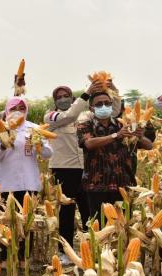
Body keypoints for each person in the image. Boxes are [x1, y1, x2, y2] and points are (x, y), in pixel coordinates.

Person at [0, 97, 53, 264]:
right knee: (7, 221)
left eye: (21, 107)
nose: (18, 110)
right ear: (7, 110)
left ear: (27, 110)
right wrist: (3, 144)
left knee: (27, 222)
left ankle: (24, 256)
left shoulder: (34, 128)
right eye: (14, 107)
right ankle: (6, 254)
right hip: (5, 183)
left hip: (28, 182)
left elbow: (47, 154)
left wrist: (39, 144)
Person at [76, 91, 153, 219]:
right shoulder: (85, 125)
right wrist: (117, 135)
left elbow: (149, 146)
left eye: (107, 103)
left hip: (123, 184)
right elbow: (89, 143)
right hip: (97, 186)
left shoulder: (123, 124)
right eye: (99, 104)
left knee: (123, 227)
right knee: (100, 227)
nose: (104, 106)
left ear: (112, 105)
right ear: (91, 108)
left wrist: (139, 136)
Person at [44, 85, 93, 263]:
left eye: (66, 96)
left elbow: (115, 112)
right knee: (66, 212)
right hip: (63, 169)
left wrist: (109, 88)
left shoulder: (85, 116)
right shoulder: (51, 116)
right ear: (55, 101)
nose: (63, 99)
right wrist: (87, 94)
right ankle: (65, 252)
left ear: (72, 98)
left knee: (89, 210)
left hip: (86, 168)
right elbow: (69, 116)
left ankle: (92, 248)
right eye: (59, 97)